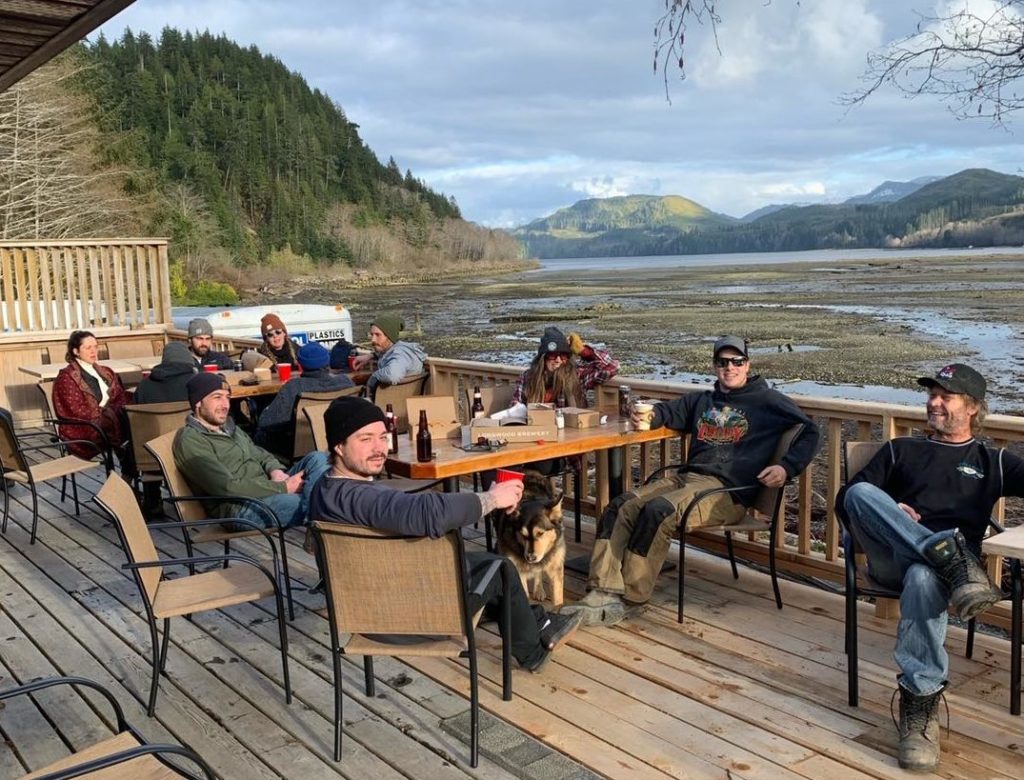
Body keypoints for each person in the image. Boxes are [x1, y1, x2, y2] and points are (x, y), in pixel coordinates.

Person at [309, 396, 582, 672]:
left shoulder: (324, 489)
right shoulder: (360, 498)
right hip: (413, 619)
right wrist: (491, 499)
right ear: (339, 447)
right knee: (501, 567)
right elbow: (428, 513)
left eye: (382, 436)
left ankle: (539, 620)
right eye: (365, 439)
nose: (379, 447)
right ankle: (533, 651)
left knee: (484, 563)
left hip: (365, 608)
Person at [563, 335, 820, 626]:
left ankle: (633, 596)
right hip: (687, 479)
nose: (730, 368)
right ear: (714, 366)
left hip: (727, 492)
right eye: (722, 362)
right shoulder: (703, 400)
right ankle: (602, 590)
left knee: (659, 511)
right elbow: (668, 412)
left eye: (737, 361)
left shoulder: (767, 400)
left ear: (747, 365)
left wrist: (787, 468)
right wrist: (647, 415)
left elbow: (810, 431)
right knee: (620, 506)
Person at [837, 363, 1016, 772]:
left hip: (927, 579)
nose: (933, 402)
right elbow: (848, 501)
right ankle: (945, 556)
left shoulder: (993, 462)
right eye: (931, 394)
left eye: (945, 396)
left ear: (972, 407)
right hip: (891, 559)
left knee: (924, 575)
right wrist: (891, 510)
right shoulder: (902, 449)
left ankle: (920, 712)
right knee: (863, 491)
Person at [172, 373, 330, 530]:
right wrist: (284, 487)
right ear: (198, 403)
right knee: (314, 500)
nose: (226, 404)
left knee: (318, 458)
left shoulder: (228, 427)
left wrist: (275, 470)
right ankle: (319, 521)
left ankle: (315, 516)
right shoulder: (191, 440)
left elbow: (259, 453)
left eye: (227, 397)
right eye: (217, 397)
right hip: (240, 508)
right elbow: (227, 487)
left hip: (267, 487)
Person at [255, 342, 355, 457]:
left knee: (260, 434)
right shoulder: (346, 382)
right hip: (338, 441)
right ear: (327, 362)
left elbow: (266, 422)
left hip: (301, 447)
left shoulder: (294, 387)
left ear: (300, 365)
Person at [51, 330, 129, 465]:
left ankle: (134, 465)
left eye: (95, 347)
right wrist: (106, 413)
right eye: (88, 348)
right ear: (76, 351)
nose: (93, 351)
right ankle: (129, 466)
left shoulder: (105, 371)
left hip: (110, 418)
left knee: (139, 417)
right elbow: (74, 410)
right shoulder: (67, 378)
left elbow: (119, 395)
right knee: (122, 423)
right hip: (85, 427)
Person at [512, 326, 619, 407]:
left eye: (563, 355)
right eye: (553, 355)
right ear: (543, 358)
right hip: (539, 431)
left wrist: (583, 351)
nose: (558, 360)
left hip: (572, 431)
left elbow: (612, 366)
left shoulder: (576, 375)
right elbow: (515, 406)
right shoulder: (527, 377)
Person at [351, 314, 426, 394]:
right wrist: (372, 355)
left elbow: (392, 375)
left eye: (378, 335)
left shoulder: (401, 354)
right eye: (372, 335)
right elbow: (389, 357)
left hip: (387, 401)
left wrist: (374, 376)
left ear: (390, 336)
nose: (373, 339)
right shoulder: (396, 350)